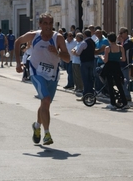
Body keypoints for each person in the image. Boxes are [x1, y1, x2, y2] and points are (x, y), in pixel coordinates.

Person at [15, 12, 70, 145]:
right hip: (36, 72)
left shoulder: (58, 38)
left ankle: (37, 126)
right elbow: (17, 42)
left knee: (45, 103)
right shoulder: (34, 36)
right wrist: (18, 63)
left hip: (52, 75)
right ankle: (47, 134)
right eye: (45, 23)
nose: (48, 26)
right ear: (40, 24)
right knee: (45, 99)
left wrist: (57, 53)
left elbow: (67, 58)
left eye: (50, 23)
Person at [99, 32, 128, 109]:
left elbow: (105, 61)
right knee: (119, 85)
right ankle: (125, 103)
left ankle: (113, 103)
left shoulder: (108, 48)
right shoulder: (121, 47)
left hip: (109, 67)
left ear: (109, 40)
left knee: (110, 85)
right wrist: (117, 58)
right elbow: (124, 59)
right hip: (117, 67)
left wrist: (101, 57)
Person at [74, 29, 96, 100]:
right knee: (90, 79)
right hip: (91, 62)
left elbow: (78, 53)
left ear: (85, 35)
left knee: (85, 79)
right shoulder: (93, 42)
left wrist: (74, 51)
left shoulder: (84, 43)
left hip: (85, 62)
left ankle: (85, 94)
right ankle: (91, 93)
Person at [117, 27, 133, 102]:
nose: (120, 35)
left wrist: (121, 41)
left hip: (126, 64)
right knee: (120, 81)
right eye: (119, 33)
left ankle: (127, 95)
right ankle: (122, 94)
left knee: (125, 80)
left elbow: (123, 48)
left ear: (126, 33)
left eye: (121, 33)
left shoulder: (129, 41)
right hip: (120, 63)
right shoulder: (121, 42)